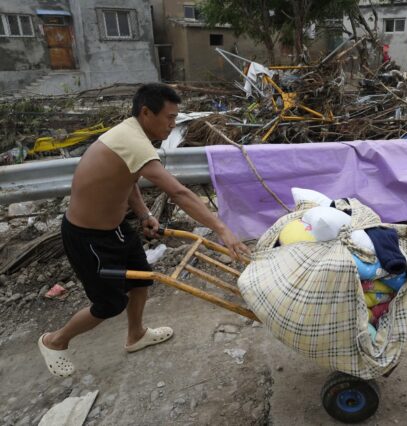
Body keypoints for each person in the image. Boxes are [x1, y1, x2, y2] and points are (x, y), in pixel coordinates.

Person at [38, 83, 250, 377]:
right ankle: (55, 341)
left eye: (176, 118)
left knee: (141, 283)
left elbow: (129, 177)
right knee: (110, 303)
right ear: (146, 112)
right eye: (170, 118)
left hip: (116, 229)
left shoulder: (132, 135)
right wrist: (222, 229)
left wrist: (144, 213)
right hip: (87, 237)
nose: (173, 125)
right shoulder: (133, 140)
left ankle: (135, 335)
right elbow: (179, 193)